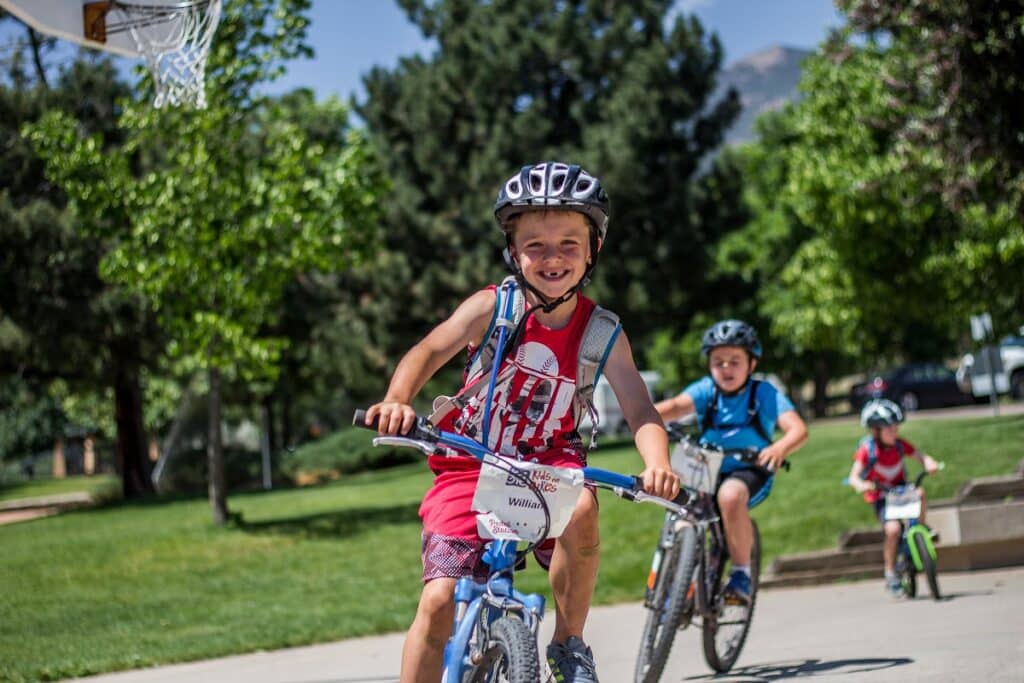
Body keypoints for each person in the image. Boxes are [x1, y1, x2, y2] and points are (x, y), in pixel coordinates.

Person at [364, 161, 680, 683]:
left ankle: (569, 642)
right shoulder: (494, 306)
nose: (552, 257)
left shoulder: (602, 332)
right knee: (440, 599)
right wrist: (398, 399)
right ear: (514, 251)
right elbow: (428, 350)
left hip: (548, 462)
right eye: (535, 245)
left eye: (568, 244)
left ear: (593, 249)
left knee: (581, 506)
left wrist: (658, 463)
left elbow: (640, 409)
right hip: (470, 460)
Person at [654, 319, 808, 605]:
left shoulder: (763, 393)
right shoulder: (706, 390)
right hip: (706, 465)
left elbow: (798, 430)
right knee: (679, 508)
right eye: (718, 361)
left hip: (750, 468)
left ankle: (741, 574)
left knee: (730, 496)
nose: (726, 368)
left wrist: (779, 448)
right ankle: (681, 576)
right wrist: (641, 413)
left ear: (751, 364)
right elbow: (674, 407)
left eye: (735, 361)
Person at [847, 398, 939, 596]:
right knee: (893, 530)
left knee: (920, 492)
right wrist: (861, 484)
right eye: (889, 429)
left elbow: (920, 456)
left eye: (896, 428)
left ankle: (921, 528)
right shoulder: (868, 451)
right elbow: (853, 476)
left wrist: (929, 463)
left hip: (900, 490)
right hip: (881, 496)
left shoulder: (899, 445)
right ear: (875, 431)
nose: (894, 432)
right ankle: (890, 573)